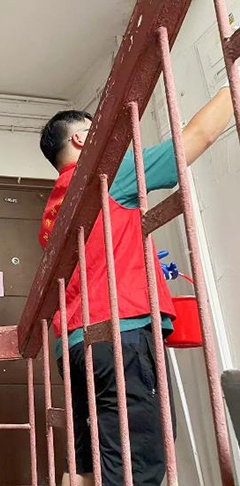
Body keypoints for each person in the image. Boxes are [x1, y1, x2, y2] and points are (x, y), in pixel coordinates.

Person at [38, 85, 233, 485]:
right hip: (119, 337)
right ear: (82, 140)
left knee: (88, 467)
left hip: (74, 347)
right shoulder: (103, 174)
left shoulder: (54, 210)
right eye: (97, 130)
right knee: (137, 465)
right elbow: (197, 137)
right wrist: (232, 85)